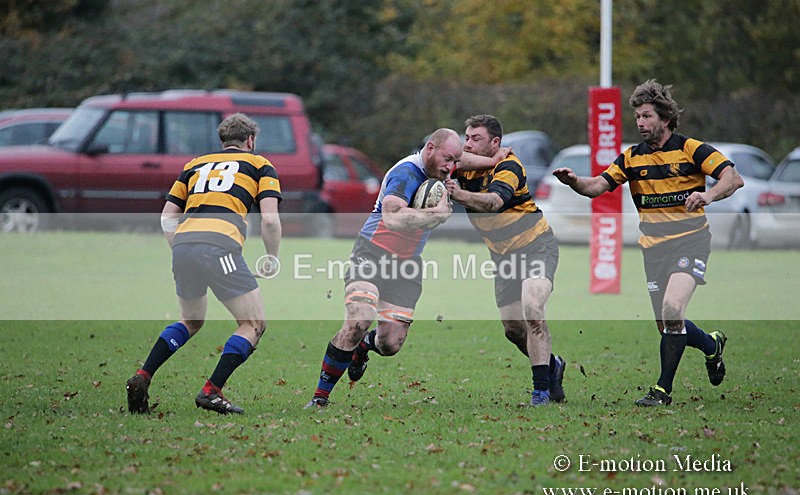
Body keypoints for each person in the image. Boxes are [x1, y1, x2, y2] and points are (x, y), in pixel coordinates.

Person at [553, 79, 744, 407]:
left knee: (672, 310)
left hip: (690, 242)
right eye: (637, 117)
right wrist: (573, 181)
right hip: (654, 249)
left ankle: (661, 391)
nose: (640, 123)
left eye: (646, 116)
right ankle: (711, 345)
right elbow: (597, 186)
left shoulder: (691, 149)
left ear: (665, 119)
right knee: (668, 325)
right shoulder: (631, 158)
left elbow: (732, 178)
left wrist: (708, 195)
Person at [126, 113, 282, 415]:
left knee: (191, 320)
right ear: (250, 141)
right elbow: (270, 220)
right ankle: (212, 391)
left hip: (184, 246)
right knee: (253, 324)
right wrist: (271, 257)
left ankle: (143, 375)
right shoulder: (260, 164)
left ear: (223, 141)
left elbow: (167, 216)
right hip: (220, 248)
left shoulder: (194, 164)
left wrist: (181, 249)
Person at [304, 129, 464, 408]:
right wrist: (434, 215)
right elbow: (392, 218)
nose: (451, 167)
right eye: (448, 159)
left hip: (407, 266)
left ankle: (364, 346)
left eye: (456, 161)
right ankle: (320, 398)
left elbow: (471, 159)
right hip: (372, 255)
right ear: (430, 148)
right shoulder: (406, 173)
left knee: (390, 345)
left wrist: (497, 156)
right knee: (359, 319)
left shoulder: (443, 168)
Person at [445, 114, 566, 407]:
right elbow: (438, 158)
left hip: (537, 246)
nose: (468, 144)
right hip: (503, 257)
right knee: (513, 329)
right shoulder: (464, 167)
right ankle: (552, 366)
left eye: (476, 139)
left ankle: (540, 392)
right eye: (466, 137)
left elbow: (494, 202)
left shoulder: (509, 165)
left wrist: (459, 195)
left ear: (495, 142)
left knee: (532, 309)